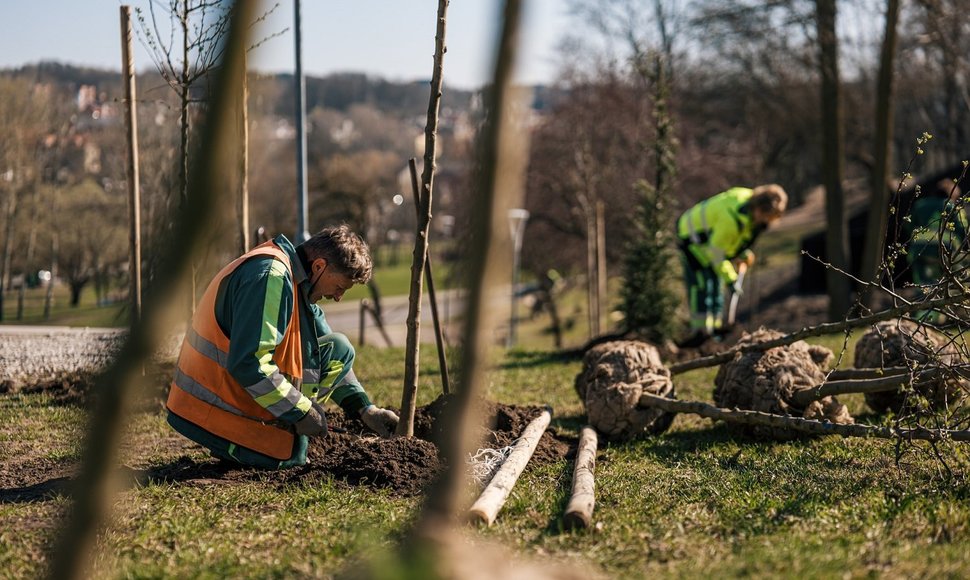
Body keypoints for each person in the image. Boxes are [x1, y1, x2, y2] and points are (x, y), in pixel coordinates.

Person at [166, 224, 400, 469]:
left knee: (340, 347)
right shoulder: (271, 277)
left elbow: (331, 352)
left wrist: (366, 410)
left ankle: (285, 430)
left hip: (233, 396)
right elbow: (249, 364)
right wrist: (300, 412)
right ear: (319, 267)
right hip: (211, 409)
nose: (338, 297)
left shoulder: (297, 281)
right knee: (292, 456)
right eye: (340, 287)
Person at [676, 184, 788, 346]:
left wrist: (741, 253)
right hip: (692, 240)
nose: (765, 223)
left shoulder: (747, 208)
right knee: (702, 285)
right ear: (758, 209)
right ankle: (700, 333)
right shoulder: (730, 219)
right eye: (765, 217)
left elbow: (734, 240)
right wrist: (731, 278)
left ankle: (713, 333)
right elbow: (717, 253)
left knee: (716, 284)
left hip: (710, 243)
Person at [903, 179, 968, 323]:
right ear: (952, 194)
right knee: (945, 284)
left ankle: (922, 319)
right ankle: (940, 318)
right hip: (944, 251)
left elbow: (909, 226)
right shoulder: (952, 206)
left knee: (923, 285)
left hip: (920, 250)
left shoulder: (920, 205)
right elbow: (963, 229)